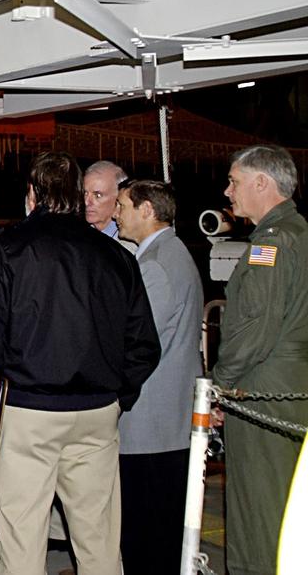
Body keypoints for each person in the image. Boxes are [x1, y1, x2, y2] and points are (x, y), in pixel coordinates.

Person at [0, 152, 160, 575]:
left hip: (29, 412)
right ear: (78, 197)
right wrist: (118, 394)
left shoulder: (8, 249)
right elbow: (143, 344)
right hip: (98, 414)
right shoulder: (116, 256)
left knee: (22, 539)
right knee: (98, 541)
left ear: (32, 194)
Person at [213, 144, 308, 575]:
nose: (228, 191)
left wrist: (218, 385)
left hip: (262, 396)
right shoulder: (300, 232)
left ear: (262, 183)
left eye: (234, 181)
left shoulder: (272, 243)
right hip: (293, 390)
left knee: (259, 515)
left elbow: (252, 329)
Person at [112, 180, 202, 575]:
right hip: (162, 421)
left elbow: (139, 344)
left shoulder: (157, 265)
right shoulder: (168, 254)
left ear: (147, 210)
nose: (117, 214)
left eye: (122, 205)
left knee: (148, 533)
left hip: (152, 423)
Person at [83, 160, 127, 239]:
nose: (86, 202)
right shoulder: (79, 235)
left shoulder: (130, 242)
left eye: (98, 195)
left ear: (119, 198)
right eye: (85, 193)